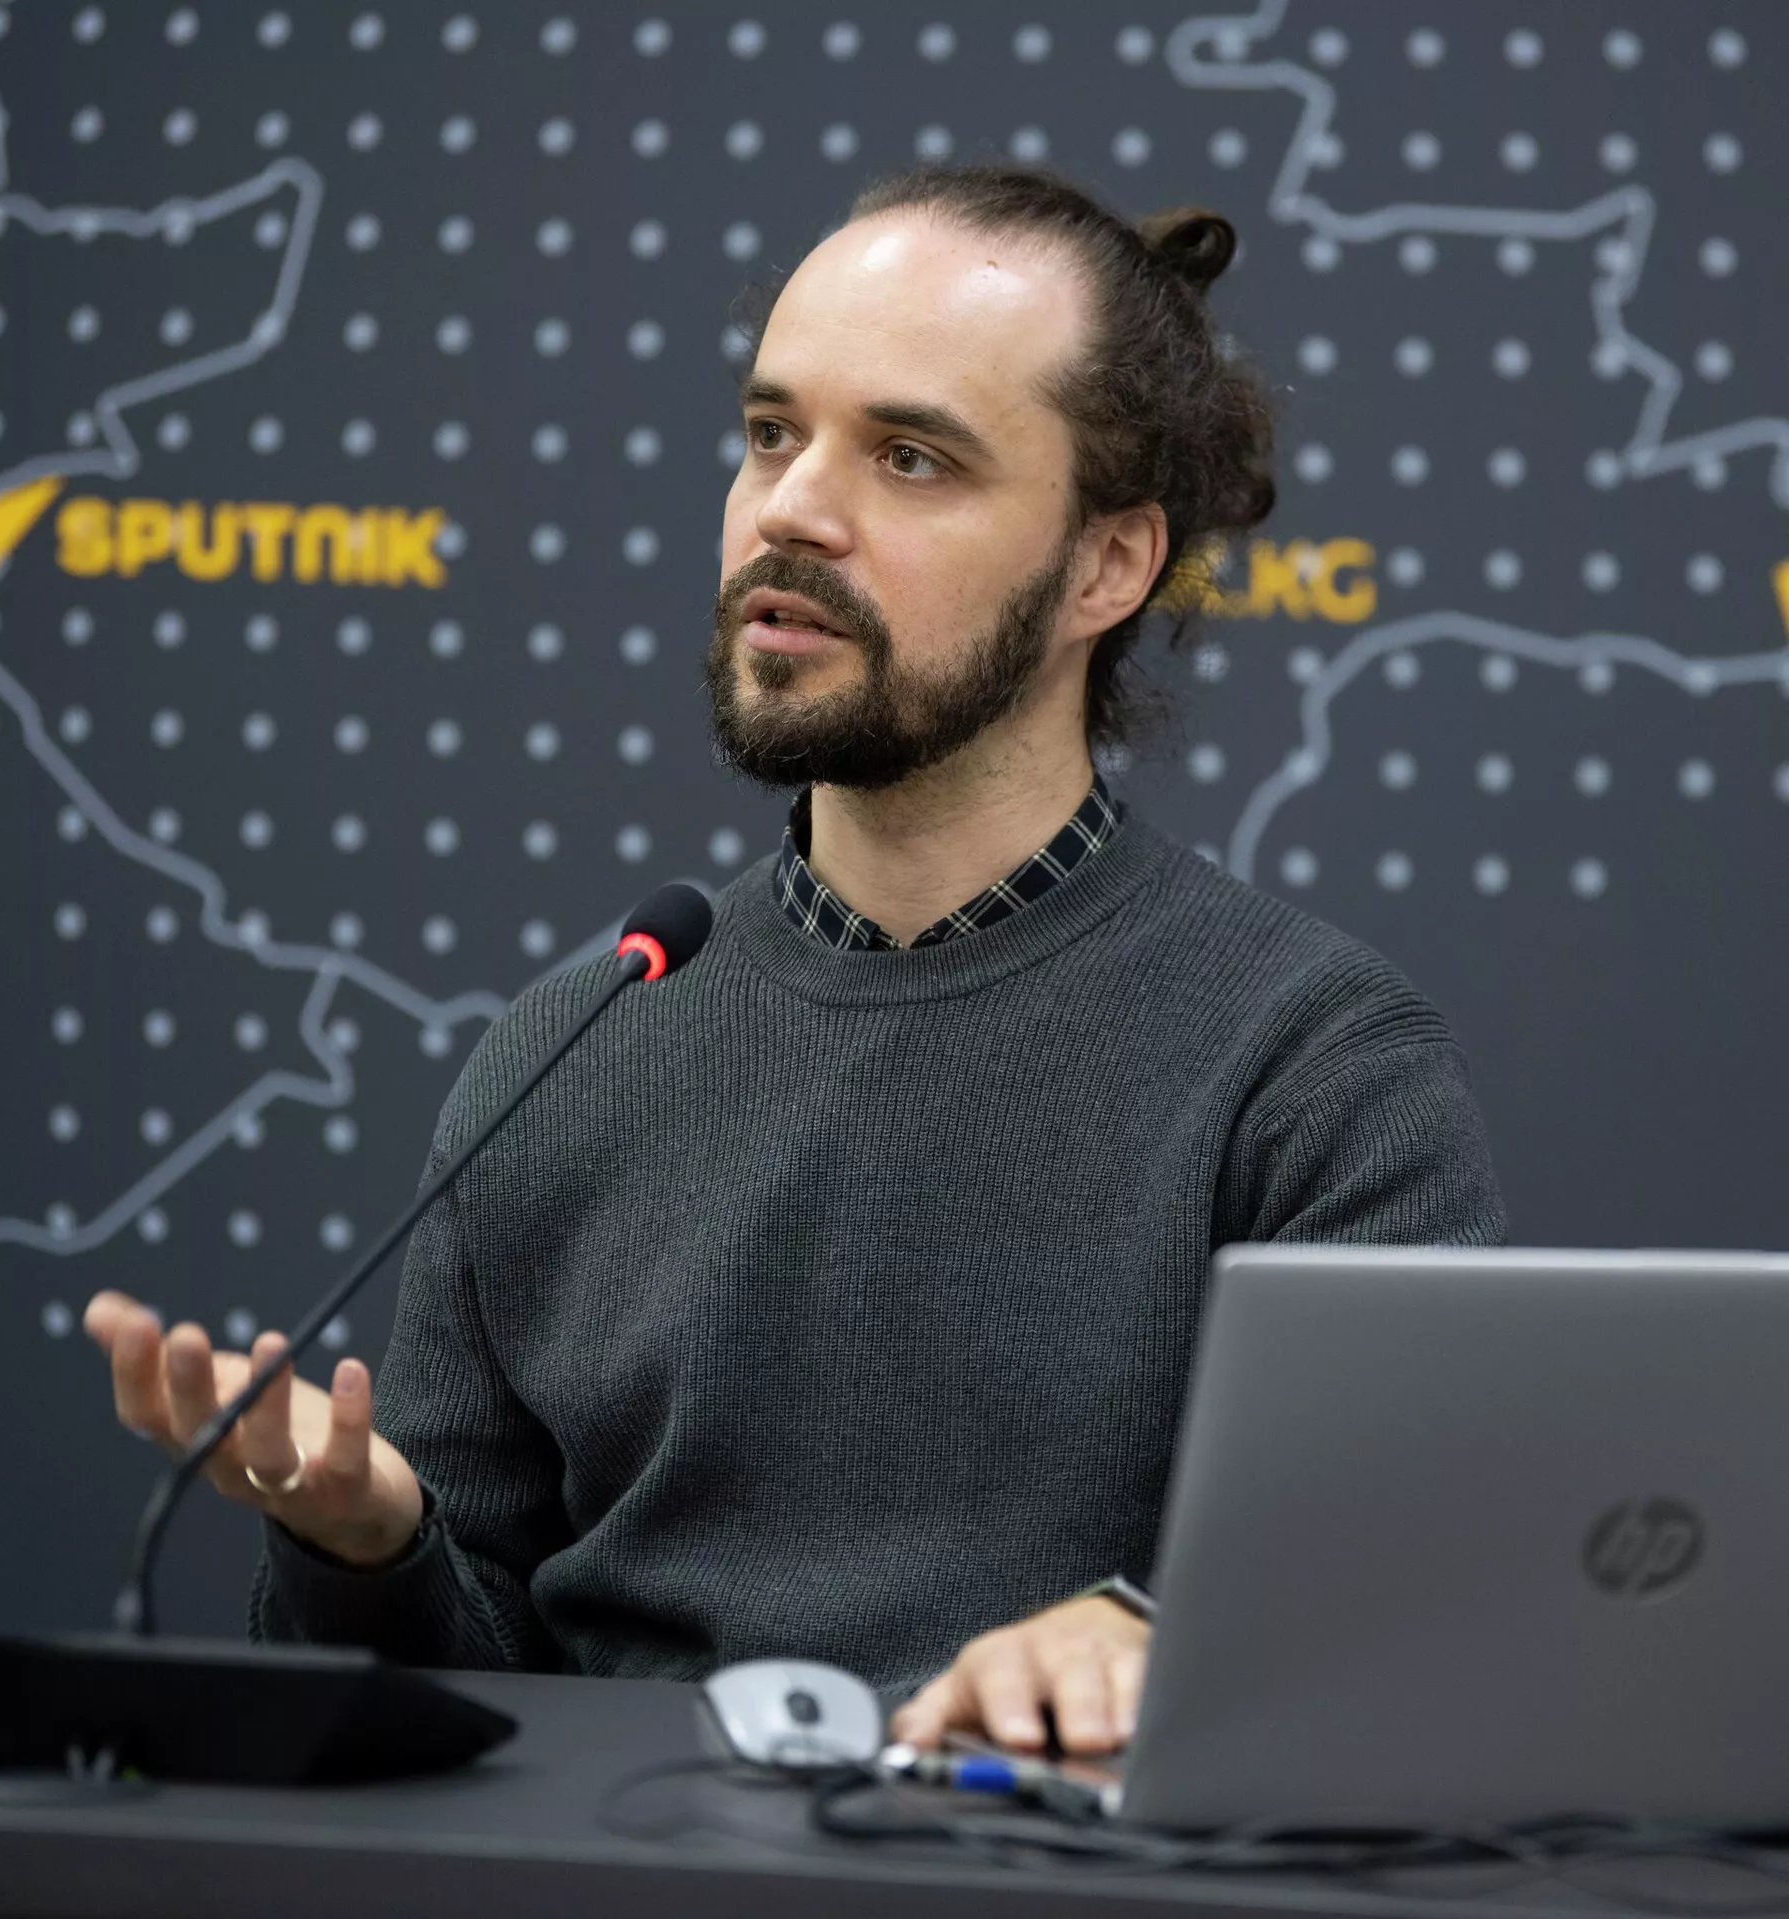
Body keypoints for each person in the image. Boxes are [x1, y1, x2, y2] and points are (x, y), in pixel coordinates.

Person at [86, 164, 1505, 1759]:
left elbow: (1415, 1599)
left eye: (910, 457)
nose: (791, 511)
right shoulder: (577, 1045)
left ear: (1107, 566)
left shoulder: (1314, 1066)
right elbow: (450, 1717)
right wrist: (369, 1543)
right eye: (772, 433)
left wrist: (1150, 1631)